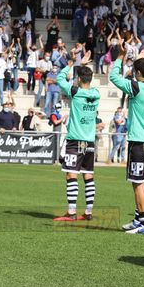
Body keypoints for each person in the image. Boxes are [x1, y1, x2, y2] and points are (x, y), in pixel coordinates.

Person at [110, 47, 144, 235]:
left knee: (138, 183)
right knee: (141, 182)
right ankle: (138, 219)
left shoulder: (136, 87)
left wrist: (121, 57)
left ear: (138, 73)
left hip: (139, 142)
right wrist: (139, 61)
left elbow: (114, 77)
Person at [53, 56, 100, 222]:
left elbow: (59, 78)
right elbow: (86, 85)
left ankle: (71, 212)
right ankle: (88, 212)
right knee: (88, 175)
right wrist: (83, 68)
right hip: (89, 141)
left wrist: (72, 63)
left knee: (71, 175)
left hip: (75, 140)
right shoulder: (96, 93)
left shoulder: (75, 92)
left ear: (79, 79)